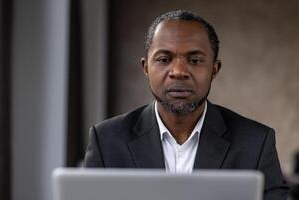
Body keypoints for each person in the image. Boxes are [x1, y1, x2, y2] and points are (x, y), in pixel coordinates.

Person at [84, 10, 289, 199]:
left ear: (214, 70)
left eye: (195, 60)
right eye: (164, 59)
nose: (179, 71)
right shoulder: (106, 141)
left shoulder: (255, 143)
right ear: (146, 67)